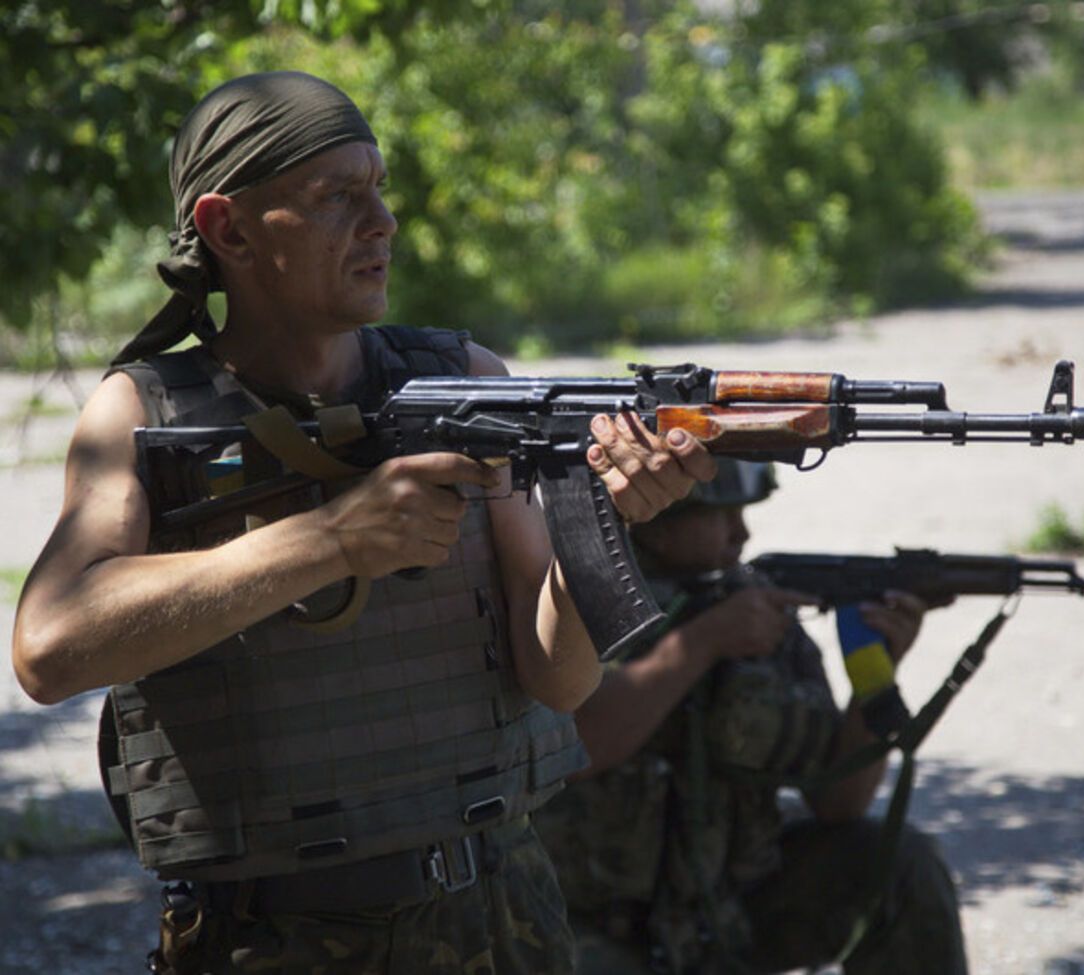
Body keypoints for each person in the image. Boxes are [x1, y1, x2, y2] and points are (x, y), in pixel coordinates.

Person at [11, 71, 715, 974]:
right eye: (336, 196)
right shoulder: (146, 411)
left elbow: (559, 680)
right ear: (228, 227)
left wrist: (600, 521)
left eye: (378, 189)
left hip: (503, 911)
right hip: (277, 935)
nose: (380, 222)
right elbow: (50, 645)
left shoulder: (464, 376)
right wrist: (332, 539)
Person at [533, 458, 968, 974]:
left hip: (729, 906)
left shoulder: (755, 613)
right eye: (722, 515)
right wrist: (701, 644)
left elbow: (838, 802)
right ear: (658, 515)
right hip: (590, 925)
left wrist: (877, 676)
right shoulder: (580, 606)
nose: (742, 533)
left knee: (901, 863)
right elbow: (578, 744)